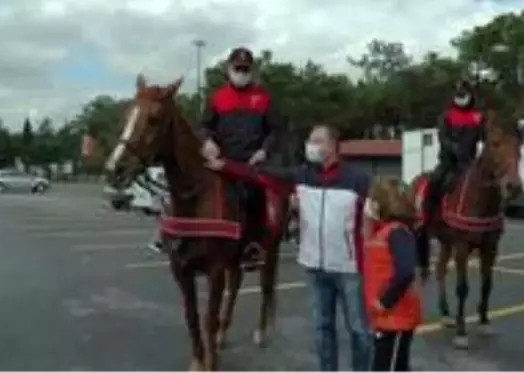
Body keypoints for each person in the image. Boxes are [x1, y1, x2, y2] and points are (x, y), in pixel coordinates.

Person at [206, 124, 371, 373]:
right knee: (322, 329)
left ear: (333, 146)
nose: (311, 145)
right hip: (315, 268)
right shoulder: (302, 176)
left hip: (349, 269)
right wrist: (226, 166)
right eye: (310, 140)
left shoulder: (357, 180)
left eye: (317, 141)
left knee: (359, 330)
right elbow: (258, 174)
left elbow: (377, 216)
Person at [150, 46, 283, 265]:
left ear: (252, 70)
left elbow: (276, 131)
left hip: (250, 162)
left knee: (254, 194)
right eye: (237, 67)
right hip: (218, 160)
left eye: (245, 68)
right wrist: (208, 141)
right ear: (228, 69)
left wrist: (264, 150)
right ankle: (168, 234)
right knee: (184, 185)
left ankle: (252, 244)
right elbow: (204, 126)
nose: (241, 72)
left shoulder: (264, 98)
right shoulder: (217, 98)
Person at [363, 177, 421, 373]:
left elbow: (405, 271)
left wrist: (384, 302)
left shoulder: (397, 233)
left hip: (395, 319)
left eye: (372, 199)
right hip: (386, 319)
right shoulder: (385, 231)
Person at [424, 79, 485, 223]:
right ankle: (429, 215)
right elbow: (443, 138)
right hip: (449, 162)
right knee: (434, 181)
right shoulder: (446, 116)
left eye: (464, 93)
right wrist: (456, 150)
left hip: (470, 161)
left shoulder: (478, 117)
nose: (461, 96)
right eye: (459, 93)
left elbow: (485, 137)